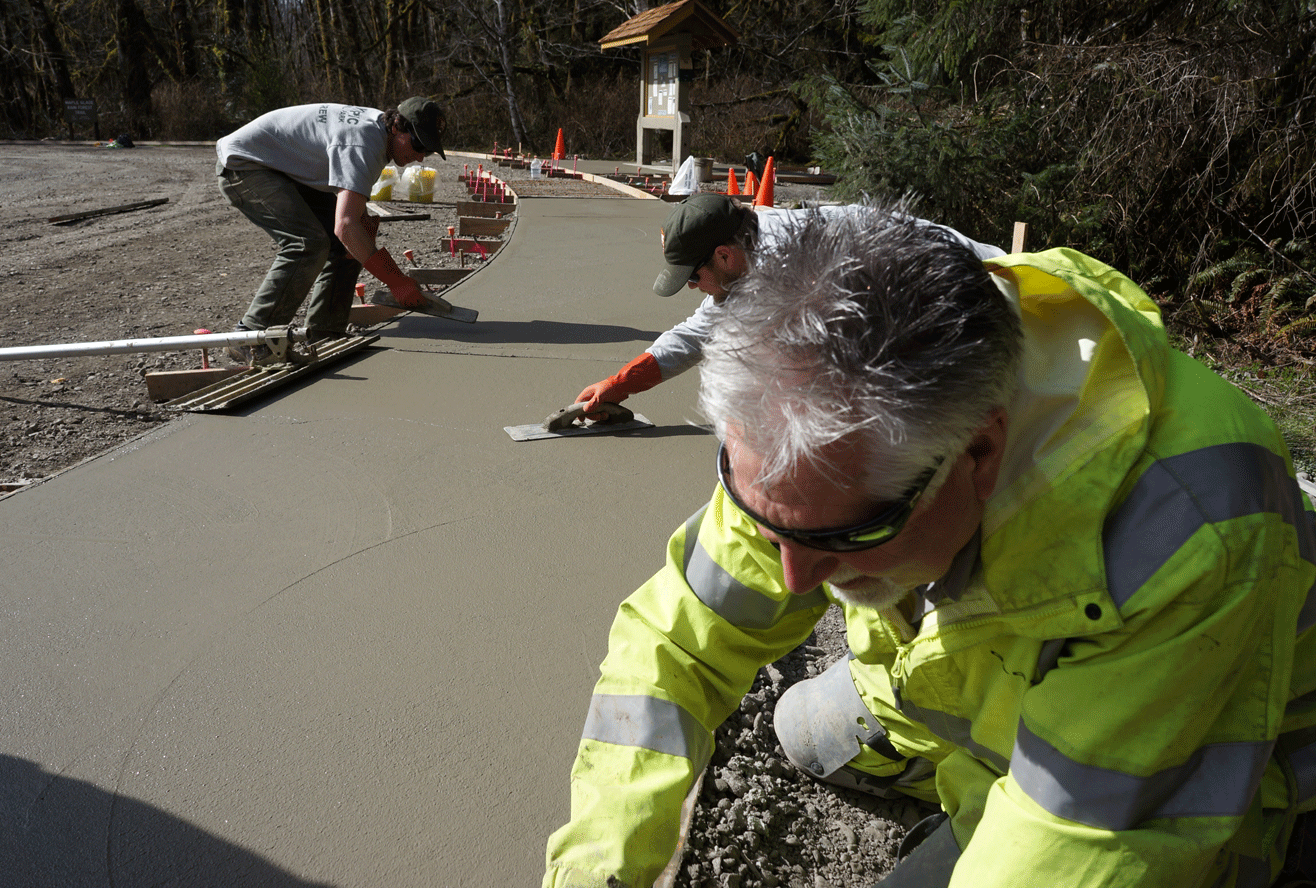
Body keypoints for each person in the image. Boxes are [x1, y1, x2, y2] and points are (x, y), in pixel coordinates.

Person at [543, 205, 1316, 887]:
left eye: (845, 538)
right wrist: (594, 870)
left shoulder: (1186, 527)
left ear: (978, 454)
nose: (795, 574)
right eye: (772, 525)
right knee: (801, 734)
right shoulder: (812, 446)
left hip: (1186, 747)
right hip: (973, 681)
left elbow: (1080, 839)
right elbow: (674, 648)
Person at [572, 193, 1003, 417]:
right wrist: (620, 383)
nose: (691, 288)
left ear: (723, 255)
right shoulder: (748, 240)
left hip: (981, 287)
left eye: (692, 276)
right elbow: (699, 331)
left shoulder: (792, 271)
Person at [215, 97, 447, 358]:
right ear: (396, 126)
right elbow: (346, 226)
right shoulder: (363, 143)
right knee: (308, 243)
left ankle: (325, 333)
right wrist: (397, 281)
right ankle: (250, 338)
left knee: (349, 245)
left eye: (426, 151)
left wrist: (362, 241)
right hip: (245, 165)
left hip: (281, 167)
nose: (419, 156)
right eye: (417, 144)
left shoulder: (379, 134)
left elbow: (351, 226)